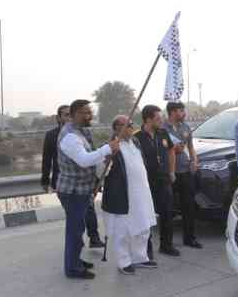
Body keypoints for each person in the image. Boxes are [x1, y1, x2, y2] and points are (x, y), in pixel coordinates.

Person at [57, 99, 119, 279]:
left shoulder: (81, 132)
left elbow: (92, 158)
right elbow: (84, 160)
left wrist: (104, 158)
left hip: (82, 189)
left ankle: (75, 261)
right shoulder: (69, 136)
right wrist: (107, 148)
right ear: (74, 114)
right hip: (72, 191)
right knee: (75, 230)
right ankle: (72, 268)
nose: (88, 116)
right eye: (85, 112)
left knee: (78, 228)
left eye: (89, 112)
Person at [41, 104, 105, 248]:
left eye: (70, 114)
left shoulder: (83, 133)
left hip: (84, 183)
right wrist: (45, 181)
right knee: (76, 219)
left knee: (89, 210)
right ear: (59, 118)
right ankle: (76, 249)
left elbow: (91, 156)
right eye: (65, 115)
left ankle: (93, 237)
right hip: (66, 183)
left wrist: (96, 180)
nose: (68, 117)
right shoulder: (54, 135)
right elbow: (47, 160)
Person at [101, 115, 157, 274]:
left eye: (132, 124)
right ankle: (124, 262)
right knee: (122, 230)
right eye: (128, 124)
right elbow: (101, 171)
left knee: (143, 226)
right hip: (123, 195)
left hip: (142, 193)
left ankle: (140, 258)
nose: (132, 127)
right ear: (117, 128)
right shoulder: (110, 146)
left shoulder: (136, 142)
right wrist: (107, 158)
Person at [135, 105, 180, 258]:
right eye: (157, 119)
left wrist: (172, 171)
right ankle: (146, 250)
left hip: (164, 179)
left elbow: (171, 151)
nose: (161, 121)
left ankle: (166, 245)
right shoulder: (137, 138)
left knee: (167, 213)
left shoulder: (163, 133)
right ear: (148, 119)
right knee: (146, 217)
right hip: (146, 183)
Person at [164, 101, 203, 249]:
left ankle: (190, 238)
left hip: (186, 172)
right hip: (170, 174)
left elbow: (191, 148)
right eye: (181, 111)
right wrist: (172, 148)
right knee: (168, 209)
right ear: (173, 112)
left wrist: (194, 161)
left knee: (189, 207)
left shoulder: (186, 127)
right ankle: (167, 243)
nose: (183, 113)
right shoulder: (162, 128)